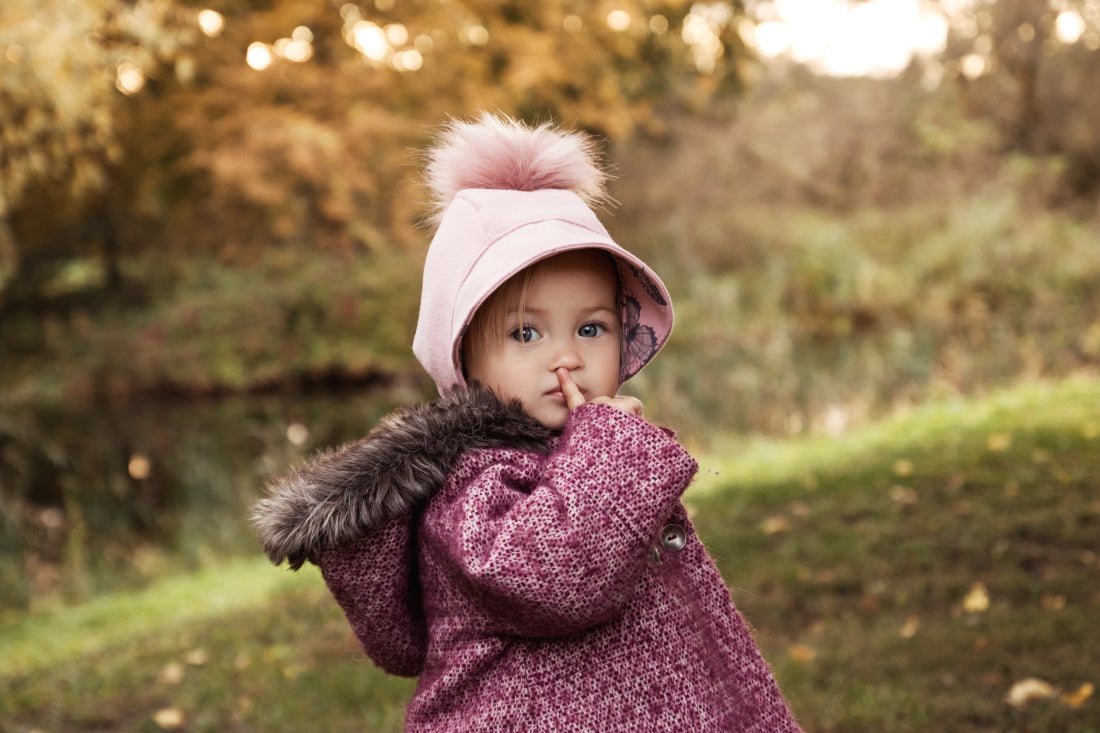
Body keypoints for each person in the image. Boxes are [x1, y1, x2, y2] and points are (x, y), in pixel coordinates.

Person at [253, 113, 801, 732]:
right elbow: (552, 575)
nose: (566, 356)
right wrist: (612, 453)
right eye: (526, 332)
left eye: (590, 328)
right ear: (463, 358)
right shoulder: (474, 479)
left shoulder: (580, 451)